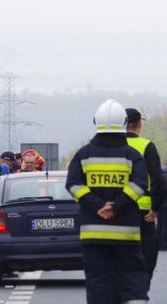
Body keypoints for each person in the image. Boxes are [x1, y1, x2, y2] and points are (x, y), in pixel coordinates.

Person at [66, 99, 149, 304]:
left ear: (96, 122)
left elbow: (73, 184)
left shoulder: (83, 155)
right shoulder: (132, 155)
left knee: (97, 280)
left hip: (93, 232)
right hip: (126, 232)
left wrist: (97, 206)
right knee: (132, 276)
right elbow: (139, 184)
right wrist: (117, 205)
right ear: (124, 123)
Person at [125, 108, 166, 289]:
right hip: (143, 214)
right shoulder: (146, 146)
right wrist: (155, 208)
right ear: (139, 125)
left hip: (116, 212)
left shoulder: (110, 147)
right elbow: (158, 180)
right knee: (146, 256)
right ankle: (138, 293)